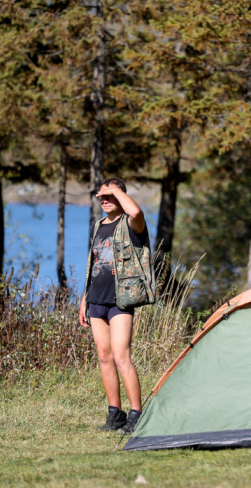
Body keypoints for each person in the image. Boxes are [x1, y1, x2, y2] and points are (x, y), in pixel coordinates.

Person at [79, 178, 147, 434]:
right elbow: (93, 264)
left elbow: (136, 211)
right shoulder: (98, 226)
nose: (105, 200)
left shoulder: (130, 223)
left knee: (121, 356)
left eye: (110, 195)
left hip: (120, 300)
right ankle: (114, 414)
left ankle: (137, 415)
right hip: (96, 299)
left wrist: (115, 190)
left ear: (120, 196)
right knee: (104, 357)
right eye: (102, 197)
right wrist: (84, 299)